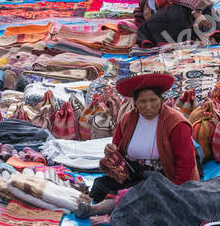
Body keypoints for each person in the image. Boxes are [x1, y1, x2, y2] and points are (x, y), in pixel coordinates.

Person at [77, 72, 199, 215]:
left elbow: (186, 163)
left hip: (163, 177)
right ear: (134, 103)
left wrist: (176, 192)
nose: (149, 106)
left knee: (142, 193)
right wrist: (111, 151)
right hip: (134, 172)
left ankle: (98, 209)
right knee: (99, 186)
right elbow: (117, 146)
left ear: (161, 99)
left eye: (153, 100)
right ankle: (122, 200)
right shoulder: (128, 119)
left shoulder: (176, 123)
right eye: (143, 102)